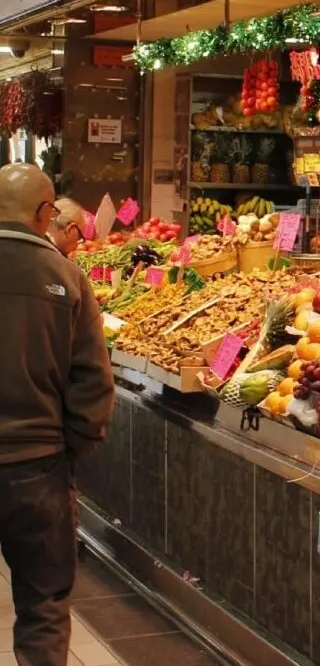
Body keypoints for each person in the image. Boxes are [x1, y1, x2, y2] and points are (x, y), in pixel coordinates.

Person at [0, 164, 113, 666]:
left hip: (39, 457)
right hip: (37, 467)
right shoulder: (67, 278)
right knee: (43, 603)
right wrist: (69, 448)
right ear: (46, 213)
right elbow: (93, 382)